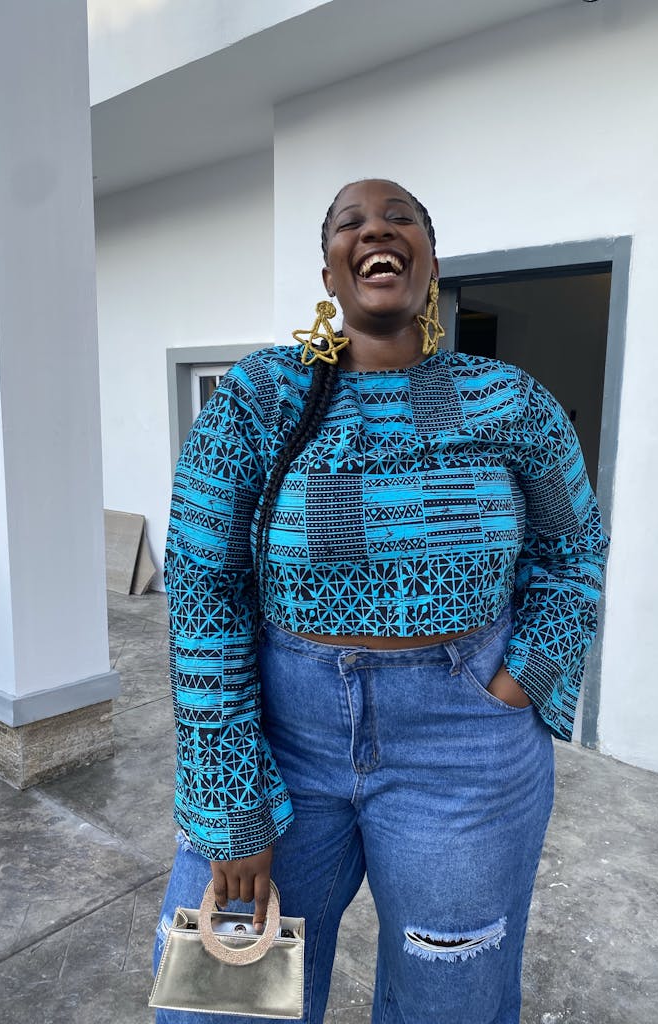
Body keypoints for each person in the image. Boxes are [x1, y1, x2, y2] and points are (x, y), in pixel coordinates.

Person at [153, 178, 609, 1023]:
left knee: (450, 997)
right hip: (283, 731)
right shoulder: (260, 398)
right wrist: (228, 799)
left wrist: (525, 678)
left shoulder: (511, 403)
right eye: (350, 223)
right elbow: (203, 592)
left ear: (430, 263)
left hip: (465, 746)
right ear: (329, 271)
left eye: (402, 220)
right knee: (222, 1001)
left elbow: (573, 548)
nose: (377, 232)